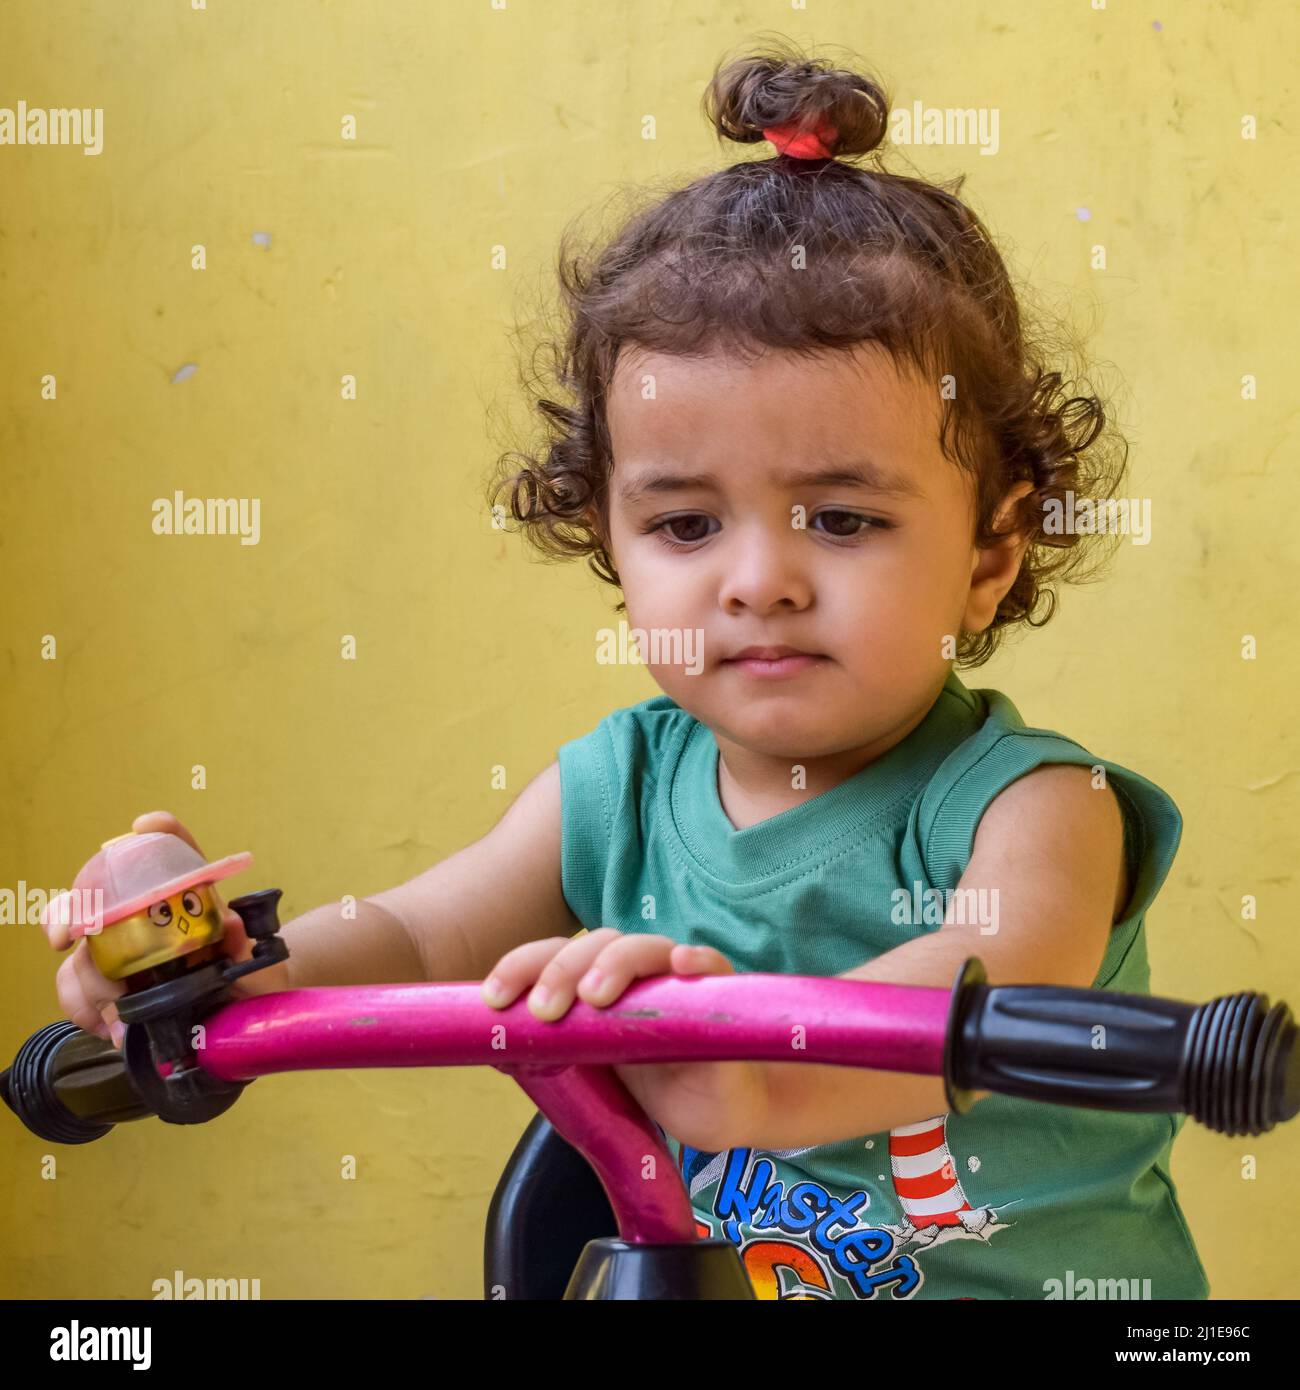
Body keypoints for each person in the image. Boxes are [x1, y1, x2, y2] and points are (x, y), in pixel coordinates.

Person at [44, 41, 1209, 1301]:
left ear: (990, 551)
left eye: (842, 518)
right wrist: (224, 973)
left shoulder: (1038, 811)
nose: (757, 580)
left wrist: (743, 1062)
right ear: (607, 535)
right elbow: (418, 931)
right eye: (686, 525)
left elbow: (976, 982)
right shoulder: (615, 784)